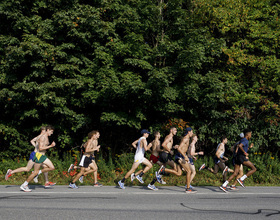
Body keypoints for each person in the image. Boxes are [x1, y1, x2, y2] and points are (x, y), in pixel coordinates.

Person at [157, 127, 196, 193]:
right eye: (192, 132)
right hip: (181, 156)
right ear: (189, 132)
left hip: (179, 156)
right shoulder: (186, 138)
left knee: (179, 173)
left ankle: (163, 169)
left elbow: (180, 147)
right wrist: (185, 156)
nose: (192, 133)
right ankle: (188, 188)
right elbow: (179, 149)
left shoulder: (187, 138)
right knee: (189, 171)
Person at [20, 125, 56, 192]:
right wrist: (50, 146)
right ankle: (24, 185)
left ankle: (38, 172)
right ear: (48, 130)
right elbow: (40, 148)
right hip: (39, 156)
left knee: (52, 167)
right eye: (51, 131)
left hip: (43, 156)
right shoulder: (42, 138)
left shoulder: (46, 137)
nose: (52, 133)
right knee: (35, 172)